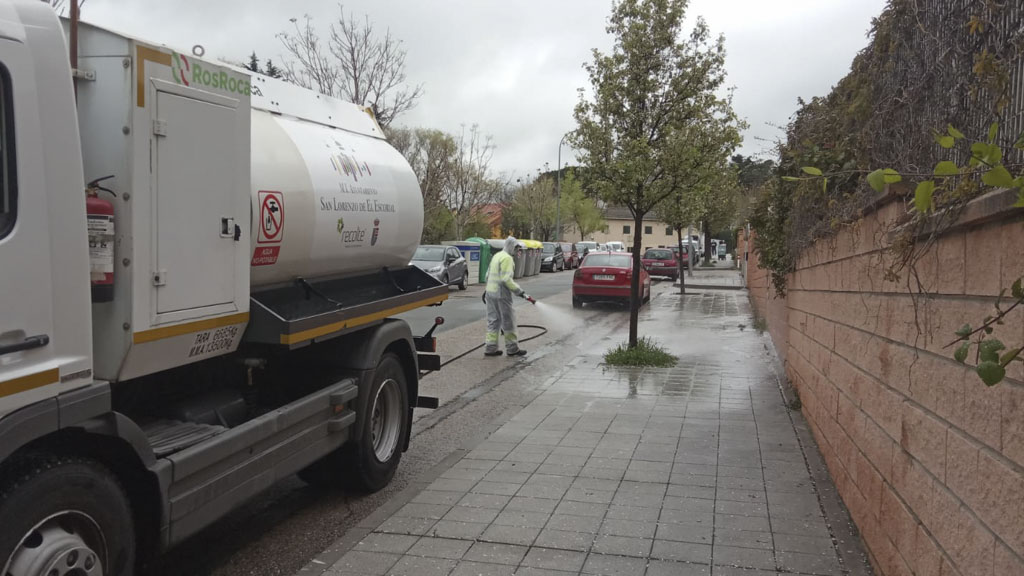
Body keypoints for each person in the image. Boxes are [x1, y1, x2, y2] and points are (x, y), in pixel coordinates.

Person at [483, 236, 532, 356]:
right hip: (501, 294)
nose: (517, 251)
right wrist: (520, 292)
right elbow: (506, 279)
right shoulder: (507, 258)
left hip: (490, 293)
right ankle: (512, 348)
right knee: (508, 322)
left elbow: (487, 275)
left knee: (493, 321)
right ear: (511, 247)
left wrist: (487, 289)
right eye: (516, 248)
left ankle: (490, 348)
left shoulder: (497, 256)